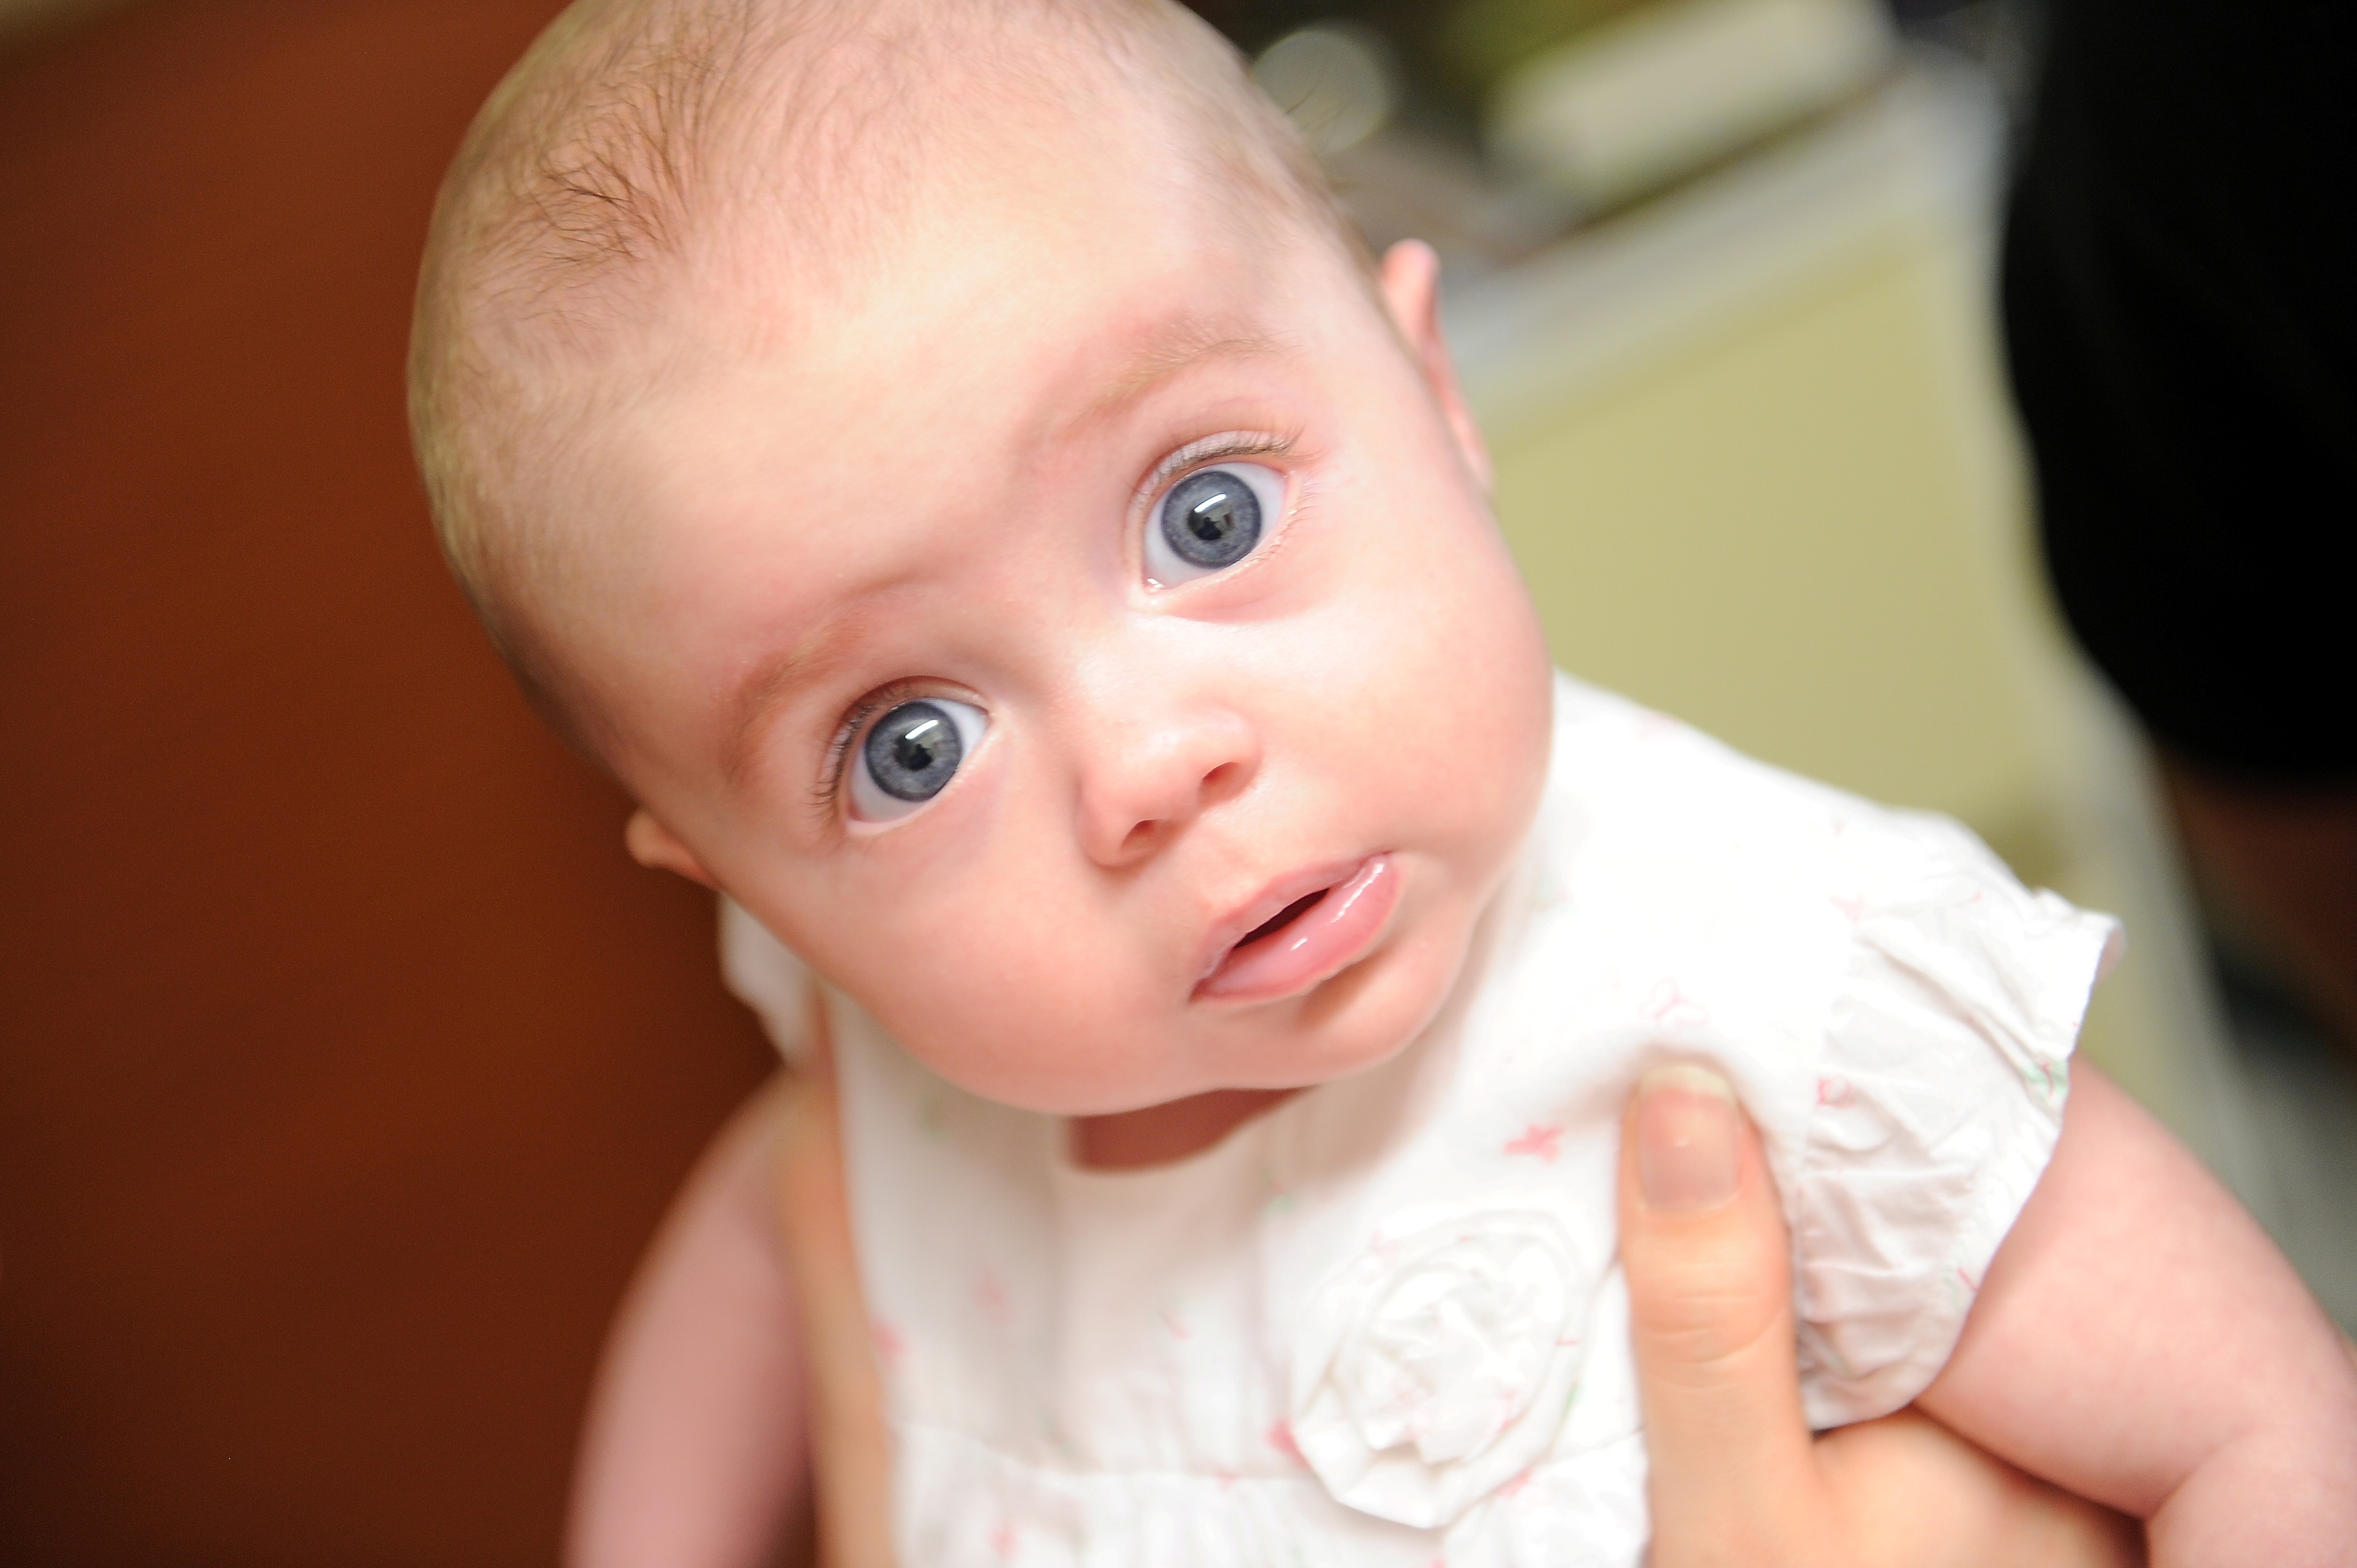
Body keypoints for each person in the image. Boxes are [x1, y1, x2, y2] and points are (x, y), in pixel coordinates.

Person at [404, 1, 2357, 1562]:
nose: (1151, 768)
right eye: (911, 747)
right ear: (744, 882)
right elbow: (766, 1225)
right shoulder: (902, 1077)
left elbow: (2264, 1431)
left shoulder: (1759, 987)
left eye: (1208, 510)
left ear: (1431, 392)